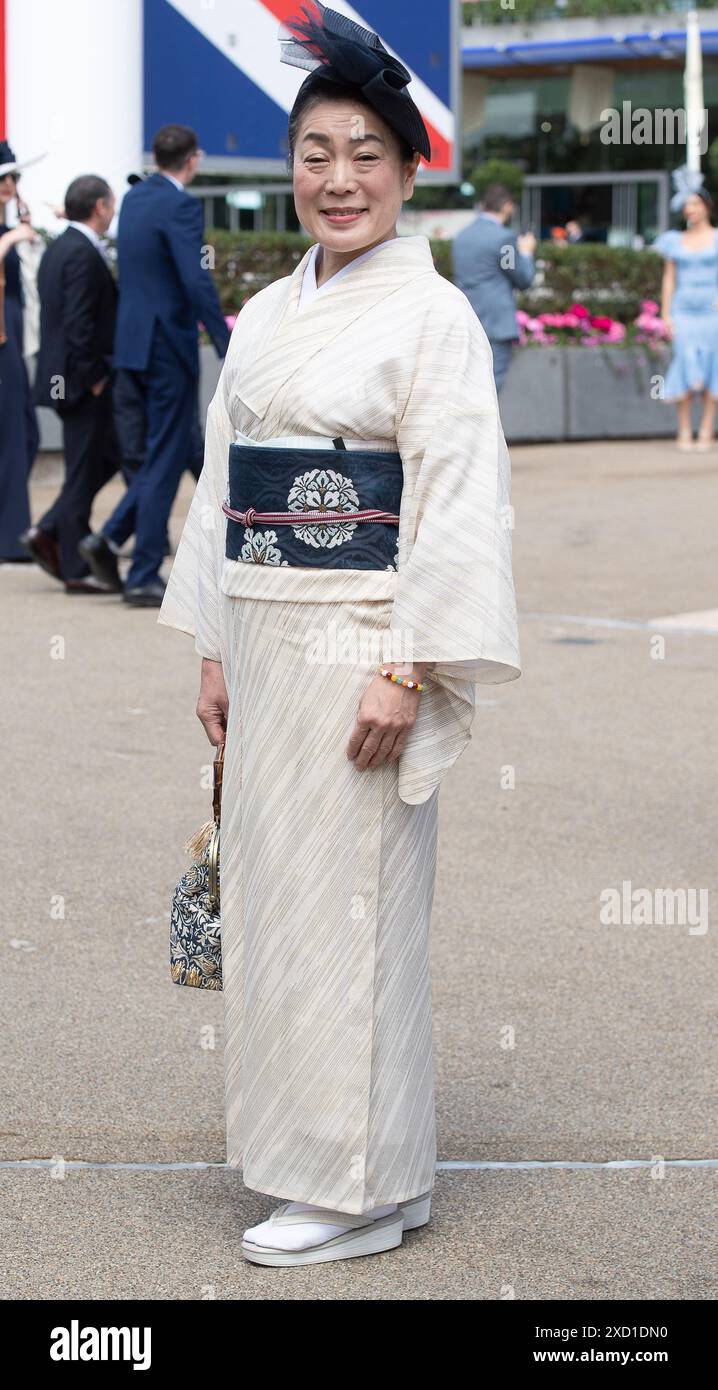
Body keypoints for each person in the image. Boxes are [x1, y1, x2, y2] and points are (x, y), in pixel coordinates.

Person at [157, 1, 521, 1268]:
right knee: (283, 909)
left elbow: (460, 496)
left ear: (409, 170)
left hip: (363, 641)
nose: (339, 179)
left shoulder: (430, 319)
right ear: (291, 165)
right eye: (317, 152)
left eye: (368, 154)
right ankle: (368, 1165)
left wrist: (406, 665)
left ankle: (356, 1186)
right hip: (263, 640)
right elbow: (219, 483)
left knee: (356, 912)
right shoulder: (264, 315)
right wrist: (210, 645)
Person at [80, 124, 230, 606]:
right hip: (167, 347)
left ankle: (108, 539)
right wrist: (227, 340)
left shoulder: (136, 199)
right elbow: (194, 279)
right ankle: (144, 571)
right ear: (192, 160)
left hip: (133, 346)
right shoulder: (181, 204)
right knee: (165, 455)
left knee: (167, 448)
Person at [28, 175, 123, 592]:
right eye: (112, 204)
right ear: (99, 206)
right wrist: (95, 378)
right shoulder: (82, 252)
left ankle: (48, 530)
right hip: (80, 381)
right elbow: (79, 325)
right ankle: (73, 567)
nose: (114, 211)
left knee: (97, 460)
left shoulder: (59, 248)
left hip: (60, 377)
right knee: (84, 469)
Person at [651, 189, 718, 451]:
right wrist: (666, 313)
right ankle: (683, 427)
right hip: (684, 310)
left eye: (695, 203)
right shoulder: (674, 241)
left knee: (713, 364)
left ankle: (706, 427)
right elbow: (669, 278)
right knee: (685, 361)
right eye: (686, 204)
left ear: (707, 207)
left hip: (712, 311)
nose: (689, 208)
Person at [452, 183, 536, 392]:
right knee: (491, 386)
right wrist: (526, 252)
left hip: (467, 319)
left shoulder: (461, 237)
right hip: (496, 324)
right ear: (507, 206)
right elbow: (523, 278)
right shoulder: (504, 238)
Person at [0, 141, 40, 561]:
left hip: (12, 327)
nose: (10, 185)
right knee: (14, 430)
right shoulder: (6, 232)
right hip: (1, 331)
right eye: (4, 178)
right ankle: (10, 538)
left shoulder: (12, 224)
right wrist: (12, 236)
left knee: (23, 429)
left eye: (13, 178)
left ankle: (12, 531)